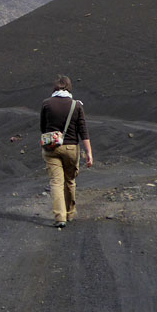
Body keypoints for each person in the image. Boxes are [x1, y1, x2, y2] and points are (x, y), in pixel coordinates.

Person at [40, 74, 93, 228]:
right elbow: (83, 131)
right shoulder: (76, 105)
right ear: (69, 87)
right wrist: (89, 152)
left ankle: (59, 217)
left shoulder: (46, 104)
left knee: (56, 183)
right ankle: (70, 213)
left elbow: (43, 128)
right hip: (71, 148)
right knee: (70, 181)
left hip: (51, 148)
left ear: (54, 88)